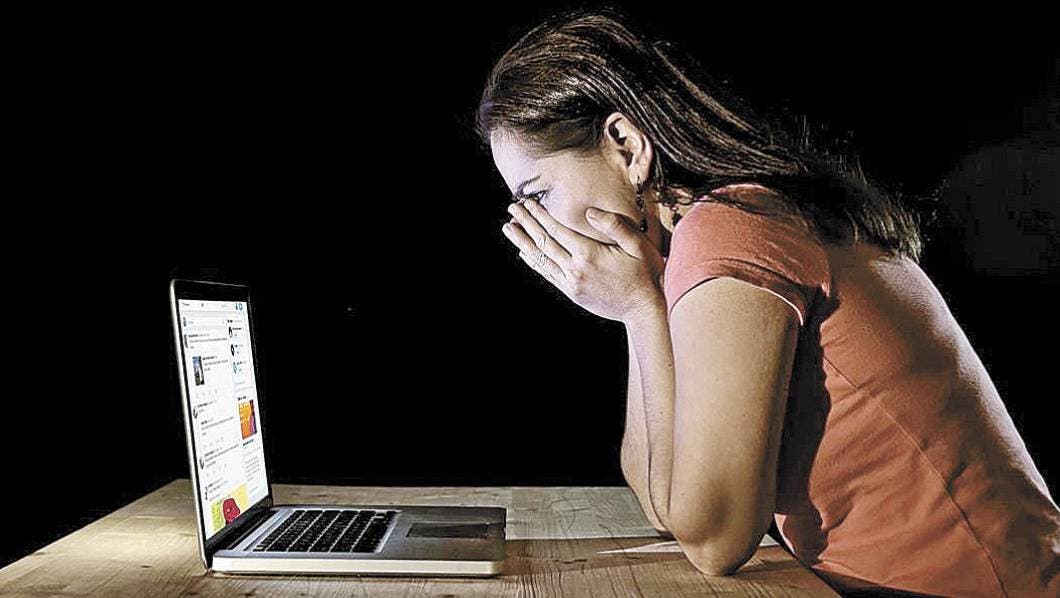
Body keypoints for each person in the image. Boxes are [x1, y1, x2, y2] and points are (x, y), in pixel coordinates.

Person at [475, 7, 1059, 597]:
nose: (535, 225)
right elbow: (668, 511)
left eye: (538, 194)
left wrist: (639, 310)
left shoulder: (732, 229)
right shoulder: (725, 224)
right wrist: (639, 311)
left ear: (627, 146)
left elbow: (715, 541)